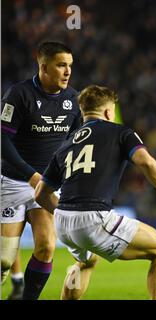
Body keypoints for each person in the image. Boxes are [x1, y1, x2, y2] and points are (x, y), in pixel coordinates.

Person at [34, 85, 156, 300]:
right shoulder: (120, 132)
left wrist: (65, 212)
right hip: (93, 216)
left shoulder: (67, 143)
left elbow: (40, 193)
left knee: (87, 261)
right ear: (108, 112)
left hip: (63, 222)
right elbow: (146, 163)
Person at [1, 41, 81, 299]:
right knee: (4, 259)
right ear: (44, 67)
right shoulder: (19, 94)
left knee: (46, 247)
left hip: (46, 186)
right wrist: (30, 174)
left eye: (69, 65)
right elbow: (2, 141)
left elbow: (77, 141)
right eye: (61, 65)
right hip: (13, 183)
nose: (67, 71)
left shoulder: (73, 100)